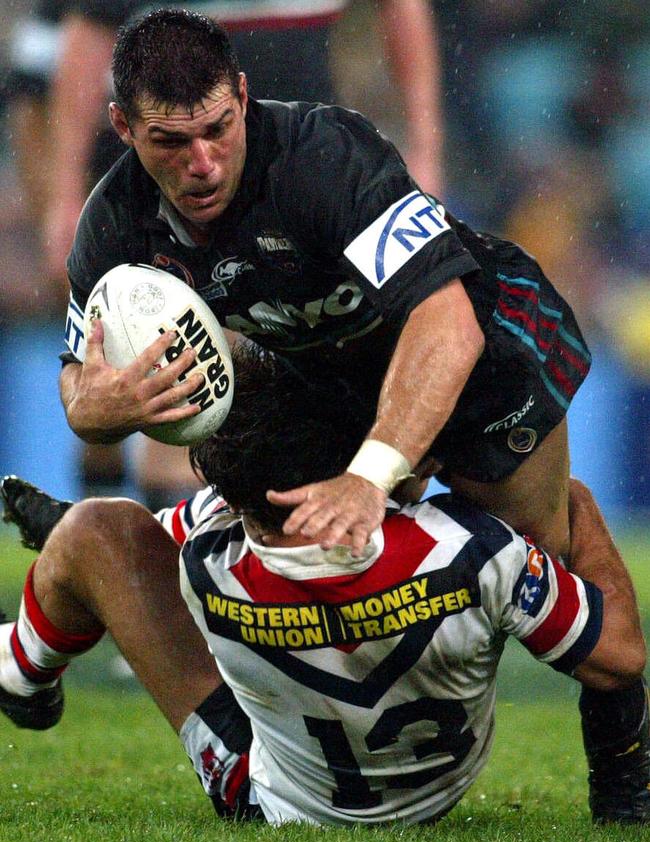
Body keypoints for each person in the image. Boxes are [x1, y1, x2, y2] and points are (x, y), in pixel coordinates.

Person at [0, 345, 648, 824]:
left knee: (92, 530)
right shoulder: (470, 549)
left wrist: (74, 539)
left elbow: (142, 540)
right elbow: (620, 657)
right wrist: (578, 510)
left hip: (270, 798)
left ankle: (21, 667)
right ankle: (625, 787)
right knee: (564, 510)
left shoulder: (214, 549)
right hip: (436, 790)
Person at [62, 9, 583, 562]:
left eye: (217, 129)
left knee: (538, 563)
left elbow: (449, 324)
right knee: (315, 564)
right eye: (169, 140)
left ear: (242, 96)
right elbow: (75, 383)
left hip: (486, 352)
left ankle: (581, 531)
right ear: (123, 126)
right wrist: (101, 407)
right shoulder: (115, 223)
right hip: (338, 386)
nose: (203, 164)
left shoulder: (326, 160)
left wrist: (371, 476)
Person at [45, 0, 444, 510]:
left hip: (302, 168)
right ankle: (138, 546)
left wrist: (426, 145)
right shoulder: (129, 194)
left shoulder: (322, 156)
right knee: (175, 371)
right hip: (169, 176)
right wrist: (65, 191)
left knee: (307, 391)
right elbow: (90, 34)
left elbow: (400, 10)